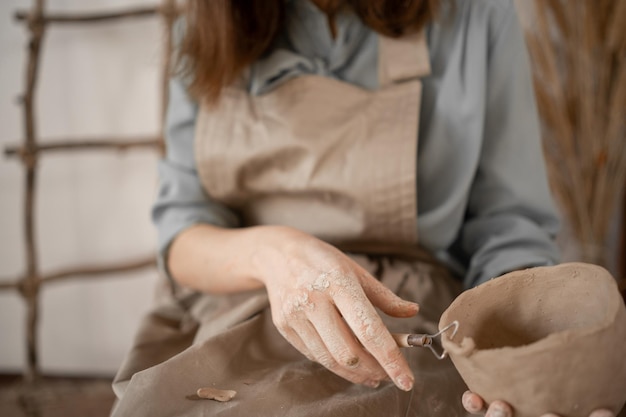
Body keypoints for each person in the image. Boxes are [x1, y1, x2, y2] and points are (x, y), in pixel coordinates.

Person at [111, 1, 616, 416]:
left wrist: (522, 354)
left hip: (412, 310)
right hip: (240, 301)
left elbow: (509, 226)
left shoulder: (475, 16)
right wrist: (278, 255)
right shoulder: (206, 23)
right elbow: (182, 233)